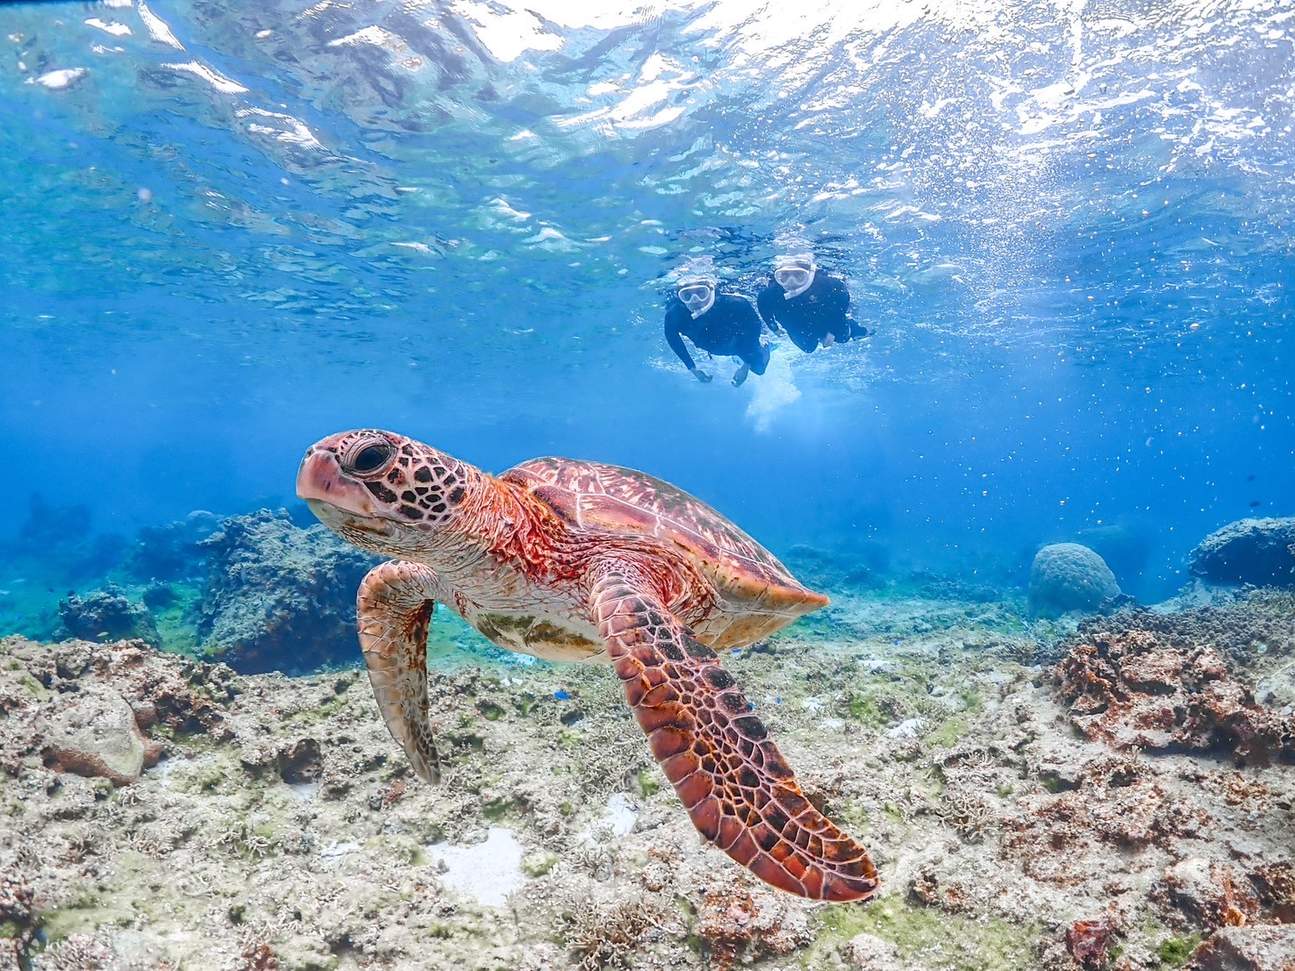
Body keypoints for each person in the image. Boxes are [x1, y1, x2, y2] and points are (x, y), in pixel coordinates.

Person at [664, 272, 771, 386]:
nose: (695, 300)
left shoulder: (735, 304)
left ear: (711, 292)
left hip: (739, 345)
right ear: (680, 298)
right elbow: (673, 340)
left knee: (759, 370)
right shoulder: (674, 315)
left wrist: (746, 365)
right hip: (714, 347)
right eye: (687, 296)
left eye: (701, 293)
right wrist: (693, 369)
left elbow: (752, 332)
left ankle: (766, 345)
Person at [756, 253, 869, 353]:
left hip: (826, 317)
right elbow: (763, 308)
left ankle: (852, 326)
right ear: (777, 276)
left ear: (810, 274)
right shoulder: (770, 293)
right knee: (808, 348)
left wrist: (834, 327)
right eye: (784, 276)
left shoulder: (825, 284)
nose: (791, 282)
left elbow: (842, 298)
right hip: (795, 323)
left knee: (842, 337)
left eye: (799, 276)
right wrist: (774, 327)